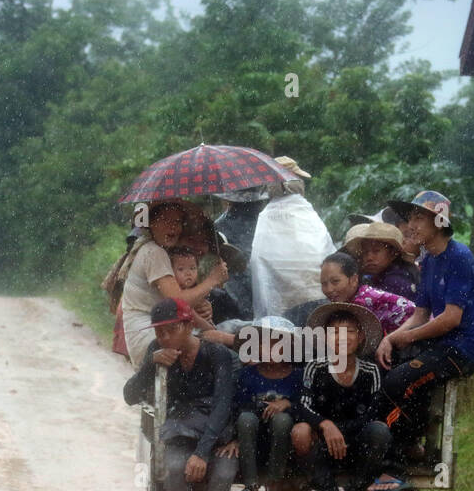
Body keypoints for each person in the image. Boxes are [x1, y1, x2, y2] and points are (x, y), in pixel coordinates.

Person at [370, 190, 474, 491]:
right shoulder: (429, 261)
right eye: (409, 218)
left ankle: (393, 467)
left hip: (459, 350)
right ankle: (410, 445)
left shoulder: (459, 258)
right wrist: (391, 338)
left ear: (439, 221)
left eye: (419, 217)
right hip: (438, 346)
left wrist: (408, 337)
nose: (411, 225)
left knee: (397, 382)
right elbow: (421, 314)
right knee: (385, 368)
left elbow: (450, 319)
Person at [123, 297, 239, 491]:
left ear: (188, 326)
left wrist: (202, 452)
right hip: (178, 430)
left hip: (216, 435)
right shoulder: (157, 352)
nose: (164, 338)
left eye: (170, 330)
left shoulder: (217, 355)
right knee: (172, 469)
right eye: (159, 333)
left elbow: (223, 405)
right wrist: (151, 364)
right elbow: (130, 395)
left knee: (224, 473)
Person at [291, 304, 391, 491]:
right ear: (326, 338)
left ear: (361, 336)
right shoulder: (315, 367)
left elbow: (373, 411)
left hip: (356, 444)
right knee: (300, 432)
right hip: (323, 443)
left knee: (380, 430)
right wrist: (325, 425)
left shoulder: (370, 371)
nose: (342, 338)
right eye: (335, 332)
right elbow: (303, 405)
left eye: (349, 332)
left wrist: (343, 432)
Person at [120, 201, 228, 367]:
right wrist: (212, 280)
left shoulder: (159, 251)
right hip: (150, 336)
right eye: (166, 221)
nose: (173, 227)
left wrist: (202, 307)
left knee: (216, 338)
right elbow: (178, 302)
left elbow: (180, 305)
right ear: (151, 224)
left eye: (177, 222)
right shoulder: (154, 252)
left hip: (161, 330)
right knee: (221, 349)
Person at [230, 316, 303, 491]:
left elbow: (305, 407)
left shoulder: (297, 376)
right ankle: (250, 487)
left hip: (284, 445)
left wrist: (287, 403)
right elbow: (238, 407)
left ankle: (276, 488)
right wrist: (234, 437)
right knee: (245, 419)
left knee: (282, 419)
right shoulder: (248, 375)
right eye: (265, 344)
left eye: (278, 344)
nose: (271, 349)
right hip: (252, 442)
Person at [248, 157, 336, 319]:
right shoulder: (306, 213)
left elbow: (258, 261)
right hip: (318, 299)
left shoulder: (267, 217)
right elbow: (327, 252)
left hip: (283, 306)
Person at [319, 250, 414, 334]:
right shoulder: (351, 299)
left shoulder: (362, 303)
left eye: (335, 281)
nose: (329, 289)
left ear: (354, 280)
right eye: (324, 284)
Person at [214, 185, 268, 320]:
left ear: (229, 200)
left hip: (237, 297)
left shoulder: (220, 225)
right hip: (269, 290)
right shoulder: (270, 220)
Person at [341, 221, 419, 300]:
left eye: (376, 251)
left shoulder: (394, 282)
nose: (369, 257)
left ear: (393, 253)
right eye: (365, 252)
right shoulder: (379, 278)